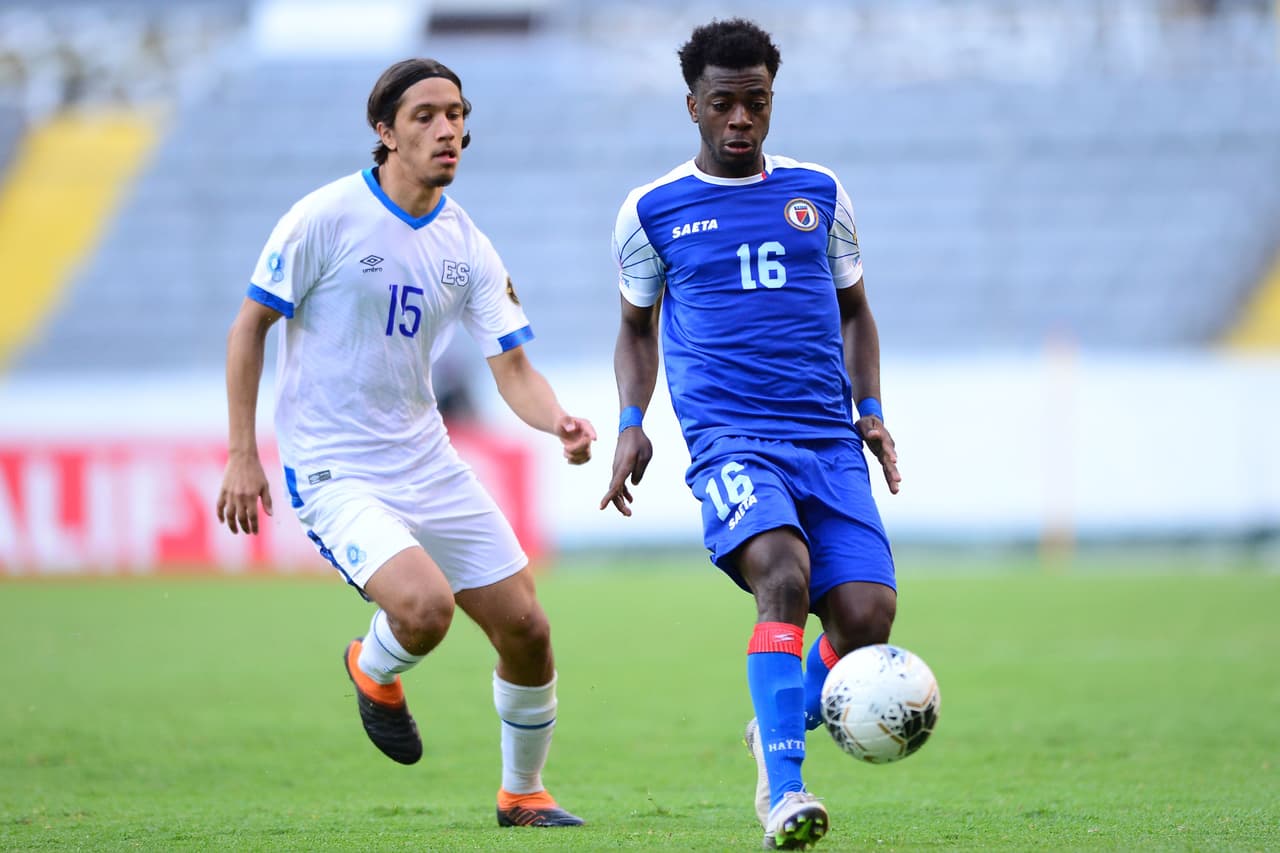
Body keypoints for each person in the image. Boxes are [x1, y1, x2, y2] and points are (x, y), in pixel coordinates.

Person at [215, 57, 595, 829]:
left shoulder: (467, 245)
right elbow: (250, 325)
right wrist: (242, 450)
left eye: (456, 113)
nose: (448, 128)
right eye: (425, 115)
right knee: (424, 608)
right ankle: (373, 666)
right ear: (384, 133)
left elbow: (513, 368)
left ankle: (523, 793)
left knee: (528, 629)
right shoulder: (323, 217)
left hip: (427, 458)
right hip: (335, 466)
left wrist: (556, 418)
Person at [600, 18, 901, 851]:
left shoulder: (822, 194)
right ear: (693, 105)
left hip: (827, 440)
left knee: (866, 618)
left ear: (773, 100)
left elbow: (855, 312)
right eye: (724, 104)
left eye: (756, 103)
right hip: (733, 440)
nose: (741, 120)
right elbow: (634, 329)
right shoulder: (652, 210)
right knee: (783, 573)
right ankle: (786, 786)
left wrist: (869, 407)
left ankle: (773, 719)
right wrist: (632, 422)